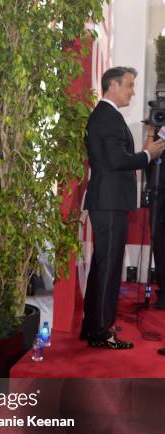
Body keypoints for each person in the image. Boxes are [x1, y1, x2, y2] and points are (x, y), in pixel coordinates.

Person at [81, 67, 165, 349]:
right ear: (113, 86)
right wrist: (146, 155)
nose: (132, 91)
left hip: (108, 202)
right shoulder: (107, 118)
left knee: (103, 265)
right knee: (108, 267)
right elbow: (117, 161)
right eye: (129, 85)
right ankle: (102, 332)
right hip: (109, 203)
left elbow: (115, 158)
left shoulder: (107, 116)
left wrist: (144, 150)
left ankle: (94, 326)